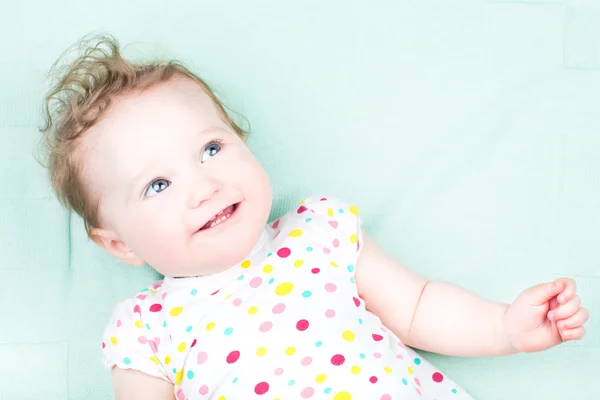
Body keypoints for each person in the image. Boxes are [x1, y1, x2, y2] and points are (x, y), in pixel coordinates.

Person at [39, 34, 588, 400]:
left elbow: (418, 308)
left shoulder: (316, 233)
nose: (204, 185)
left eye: (210, 149)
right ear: (119, 246)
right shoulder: (145, 328)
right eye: (157, 185)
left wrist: (504, 327)